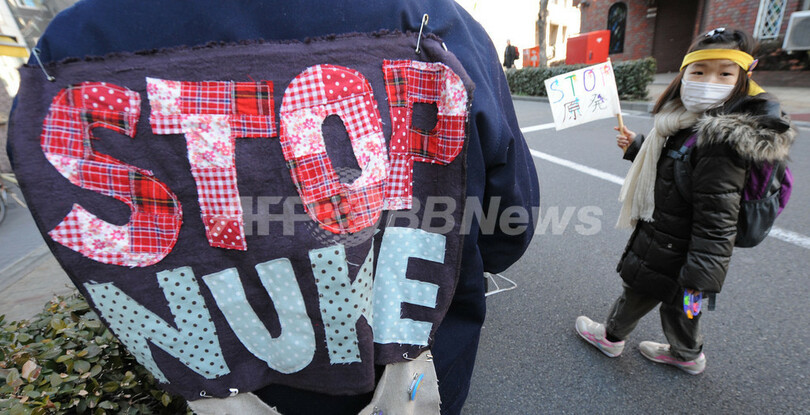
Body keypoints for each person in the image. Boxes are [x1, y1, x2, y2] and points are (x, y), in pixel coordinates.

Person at [12, 1, 539, 414]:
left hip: (234, 388)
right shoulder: (428, 19)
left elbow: (85, 250)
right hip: (415, 372)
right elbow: (507, 226)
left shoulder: (67, 51)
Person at [575, 28, 795, 374]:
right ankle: (687, 354)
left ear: (743, 78)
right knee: (685, 306)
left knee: (638, 291)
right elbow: (679, 171)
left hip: (674, 249)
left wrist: (699, 274)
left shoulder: (720, 142)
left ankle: (611, 337)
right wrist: (638, 148)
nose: (709, 80)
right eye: (699, 71)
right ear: (684, 74)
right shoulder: (692, 124)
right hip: (685, 255)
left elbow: (717, 219)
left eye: (724, 72)